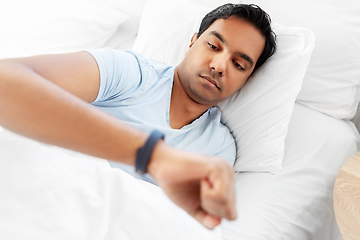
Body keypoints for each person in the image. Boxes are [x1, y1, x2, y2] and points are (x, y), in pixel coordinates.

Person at [0, 3, 276, 230]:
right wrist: (155, 157)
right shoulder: (130, 73)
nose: (218, 66)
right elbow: (5, 82)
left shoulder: (219, 148)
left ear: (246, 80)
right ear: (192, 42)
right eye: (214, 47)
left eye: (238, 64)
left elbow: (182, 226)